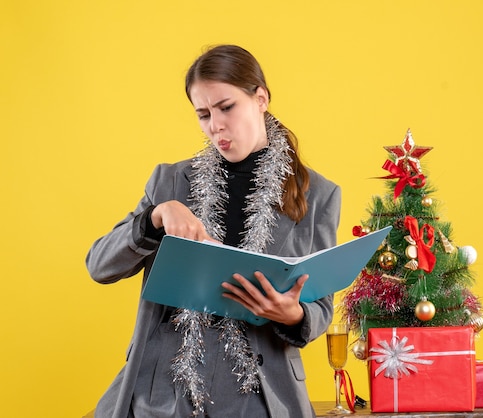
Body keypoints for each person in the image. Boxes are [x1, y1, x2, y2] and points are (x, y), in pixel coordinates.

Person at [86, 44, 341, 418]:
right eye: (203, 114)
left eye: (226, 107)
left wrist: (293, 314)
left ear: (261, 98)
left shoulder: (318, 194)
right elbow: (99, 265)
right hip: (163, 393)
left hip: (260, 393)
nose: (215, 125)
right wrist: (155, 216)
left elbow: (320, 308)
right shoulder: (170, 181)